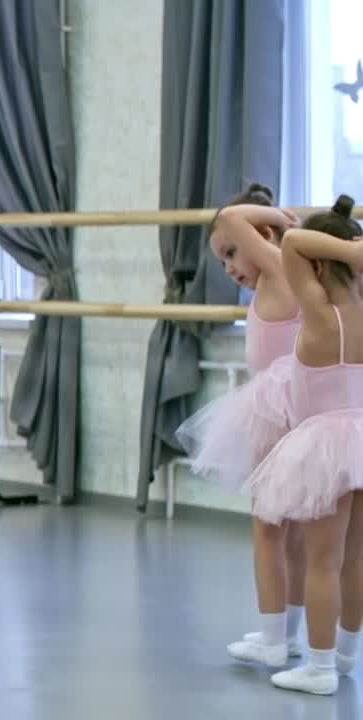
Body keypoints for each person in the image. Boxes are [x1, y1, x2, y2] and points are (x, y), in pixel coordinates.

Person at [175, 184, 308, 666]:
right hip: (298, 409)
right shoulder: (293, 272)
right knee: (292, 534)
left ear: (262, 235)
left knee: (268, 530)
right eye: (222, 261)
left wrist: (277, 217)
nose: (230, 268)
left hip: (277, 412)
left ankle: (273, 641)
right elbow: (233, 223)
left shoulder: (279, 267)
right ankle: (285, 634)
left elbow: (231, 217)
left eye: (232, 253)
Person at [244, 196, 363, 695]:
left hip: (326, 448)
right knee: (354, 560)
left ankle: (319, 668)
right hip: (361, 441)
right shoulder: (359, 312)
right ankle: (346, 655)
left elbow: (291, 239)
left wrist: (350, 251)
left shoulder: (319, 315)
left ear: (317, 266)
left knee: (322, 561)